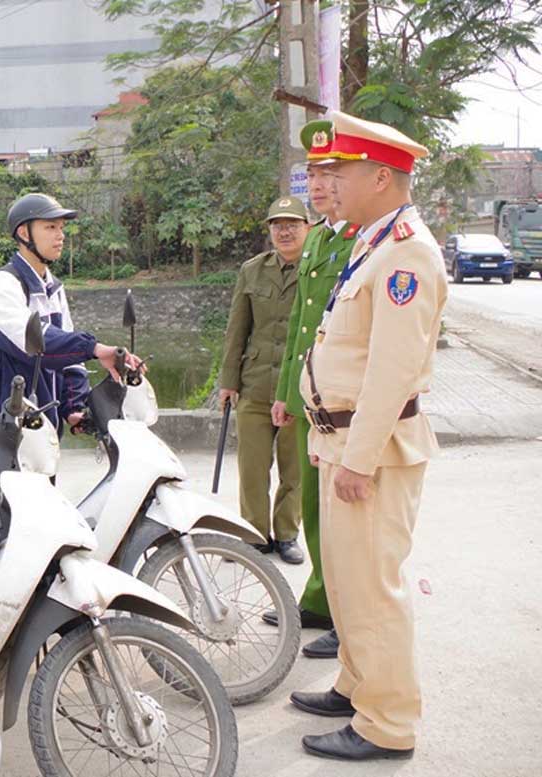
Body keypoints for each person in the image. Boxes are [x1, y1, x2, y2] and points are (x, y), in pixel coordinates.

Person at [289, 111, 444, 762]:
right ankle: (357, 685)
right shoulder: (371, 243)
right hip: (341, 442)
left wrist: (359, 457)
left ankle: (387, 723)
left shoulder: (407, 251)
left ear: (381, 178)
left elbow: (391, 370)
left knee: (374, 590)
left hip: (370, 450)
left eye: (343, 173)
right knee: (349, 583)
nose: (328, 185)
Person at [262, 120, 363, 657]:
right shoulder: (319, 237)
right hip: (311, 396)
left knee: (345, 516)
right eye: (313, 175)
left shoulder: (361, 241)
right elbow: (302, 327)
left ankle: (348, 610)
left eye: (329, 174)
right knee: (314, 503)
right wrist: (286, 391)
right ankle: (323, 597)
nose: (319, 185)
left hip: (344, 402)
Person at [0, 193, 141, 433]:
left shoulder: (52, 287)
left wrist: (74, 406)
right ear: (24, 233)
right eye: (51, 227)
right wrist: (93, 348)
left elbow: (68, 354)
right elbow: (37, 342)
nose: (61, 235)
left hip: (47, 426)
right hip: (11, 425)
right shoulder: (4, 284)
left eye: (62, 228)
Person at [219, 196, 309, 564]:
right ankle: (254, 535)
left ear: (308, 228)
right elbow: (237, 329)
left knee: (294, 467)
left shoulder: (316, 270)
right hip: (255, 383)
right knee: (252, 466)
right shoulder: (252, 270)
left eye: (292, 224)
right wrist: (228, 381)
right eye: (277, 225)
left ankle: (287, 534)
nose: (284, 231)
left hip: (298, 386)